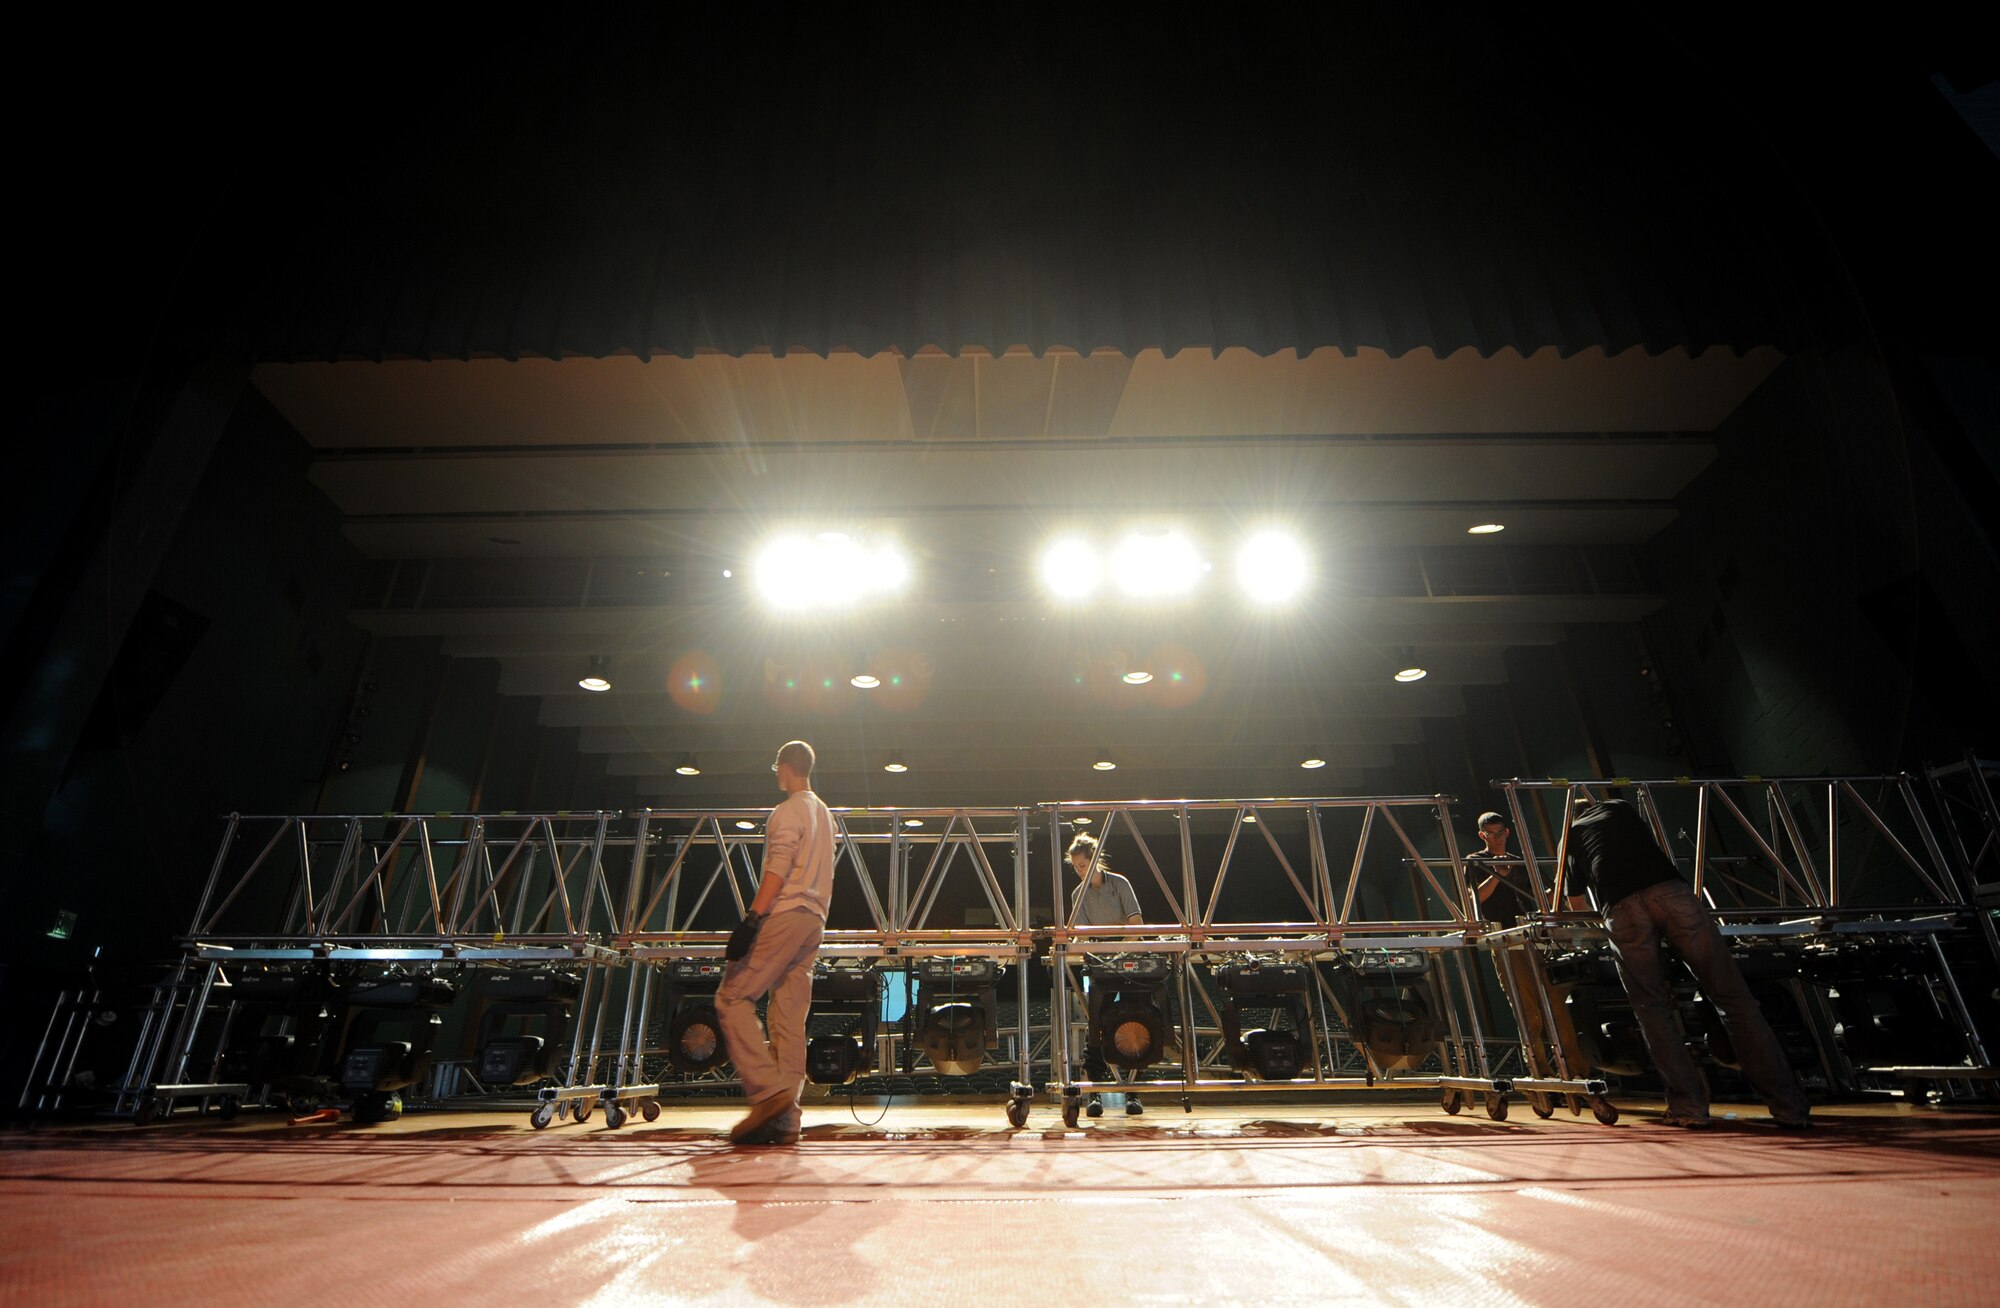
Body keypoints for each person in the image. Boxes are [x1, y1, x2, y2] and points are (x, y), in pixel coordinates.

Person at [1564, 794, 1811, 1129]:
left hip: (1621, 907)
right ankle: (1789, 1108)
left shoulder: (1573, 832)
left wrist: (1595, 930)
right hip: (1671, 893)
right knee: (1734, 999)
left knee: (1652, 1010)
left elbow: (1575, 900)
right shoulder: (1620, 807)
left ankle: (1688, 1108)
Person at [715, 740, 835, 1146]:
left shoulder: (786, 811)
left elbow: (779, 867)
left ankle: (767, 1094)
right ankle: (787, 1121)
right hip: (815, 922)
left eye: (776, 768)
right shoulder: (825, 814)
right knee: (788, 1018)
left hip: (785, 914)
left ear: (784, 768)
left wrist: (751, 920)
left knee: (732, 997)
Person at [1465, 811, 1564, 1078]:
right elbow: (1473, 901)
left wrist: (1557, 888)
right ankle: (1540, 1071)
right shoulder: (1476, 861)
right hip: (1506, 937)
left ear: (1507, 832)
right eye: (1490, 834)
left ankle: (1573, 1070)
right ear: (1482, 835)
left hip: (1533, 935)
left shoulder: (1520, 860)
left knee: (1557, 1005)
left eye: (1500, 833)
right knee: (1527, 1007)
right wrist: (1497, 875)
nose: (1496, 838)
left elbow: (1540, 895)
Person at [1066, 832, 1145, 1116]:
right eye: (1075, 867)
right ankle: (1095, 1093)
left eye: (1083, 866)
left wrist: (1119, 953)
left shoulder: (1120, 883)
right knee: (1095, 1026)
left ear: (1096, 860)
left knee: (1133, 1023)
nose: (1079, 871)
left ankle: (1133, 1094)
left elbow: (1136, 924)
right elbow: (1084, 936)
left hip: (1129, 962)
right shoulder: (1078, 894)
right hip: (1100, 963)